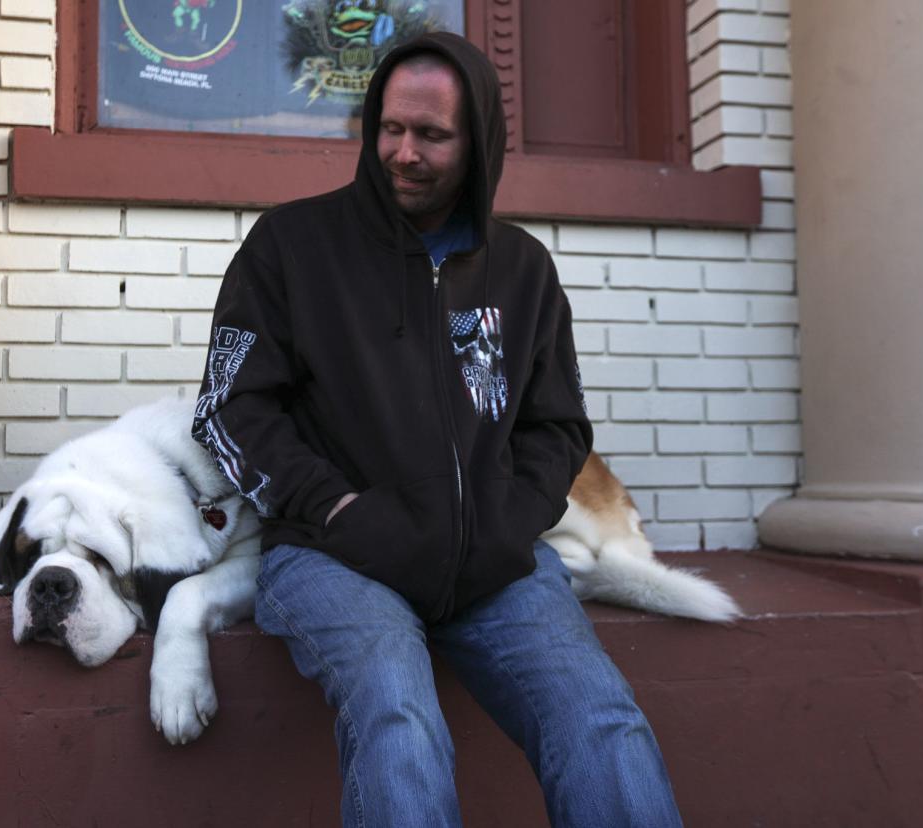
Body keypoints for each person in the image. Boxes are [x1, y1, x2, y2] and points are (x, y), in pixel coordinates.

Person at [193, 31, 682, 828]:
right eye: (390, 128)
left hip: (492, 562)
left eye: (432, 136)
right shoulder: (290, 247)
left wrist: (510, 520)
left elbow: (556, 424)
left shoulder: (521, 270)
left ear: (479, 142)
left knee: (599, 719)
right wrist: (338, 507)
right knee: (398, 713)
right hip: (335, 555)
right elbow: (230, 406)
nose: (403, 153)